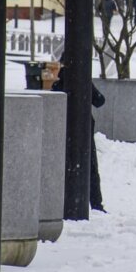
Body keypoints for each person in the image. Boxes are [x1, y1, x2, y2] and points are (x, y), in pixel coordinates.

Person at [52, 68, 106, 212]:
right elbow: (100, 100)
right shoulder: (84, 81)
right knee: (91, 168)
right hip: (84, 129)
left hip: (63, 129)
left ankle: (61, 202)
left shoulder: (58, 84)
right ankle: (96, 204)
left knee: (62, 167)